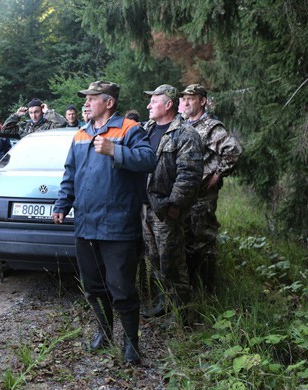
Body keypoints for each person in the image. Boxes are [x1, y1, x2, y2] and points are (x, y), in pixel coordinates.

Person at [53, 81, 156, 364]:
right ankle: (104, 332)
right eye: (85, 99)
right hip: (86, 224)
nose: (85, 103)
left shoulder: (128, 130)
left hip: (118, 225)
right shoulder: (81, 135)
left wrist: (115, 150)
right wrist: (62, 204)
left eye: (91, 98)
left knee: (121, 286)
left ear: (108, 102)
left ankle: (131, 344)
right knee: (94, 286)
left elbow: (149, 160)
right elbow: (70, 173)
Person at [142, 84, 203, 324]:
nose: (148, 105)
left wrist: (174, 206)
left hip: (167, 210)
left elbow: (189, 175)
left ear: (168, 104)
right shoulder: (145, 130)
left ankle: (182, 315)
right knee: (154, 259)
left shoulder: (185, 133)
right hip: (146, 207)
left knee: (173, 262)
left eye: (153, 101)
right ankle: (162, 304)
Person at [179, 84, 242, 291]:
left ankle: (207, 292)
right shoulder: (183, 125)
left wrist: (217, 175)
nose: (186, 102)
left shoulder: (211, 127)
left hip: (202, 198)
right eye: (184, 99)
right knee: (186, 242)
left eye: (191, 98)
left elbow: (233, 151)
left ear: (203, 101)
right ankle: (190, 290)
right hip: (185, 196)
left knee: (202, 242)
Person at [2, 98, 67, 138]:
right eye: (31, 113)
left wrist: (47, 111)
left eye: (36, 112)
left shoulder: (50, 125)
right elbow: (5, 130)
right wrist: (16, 115)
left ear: (42, 111)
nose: (34, 116)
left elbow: (63, 123)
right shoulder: (24, 126)